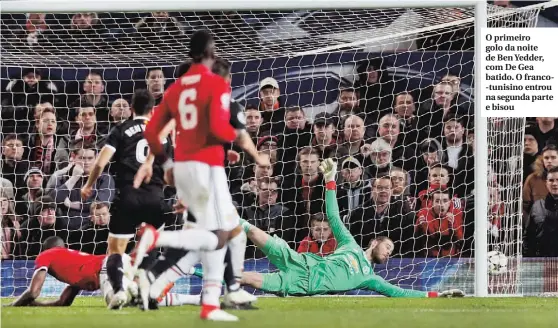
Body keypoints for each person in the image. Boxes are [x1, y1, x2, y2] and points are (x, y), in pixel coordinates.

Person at [137, 30, 267, 321]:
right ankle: (157, 240)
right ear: (211, 51)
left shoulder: (176, 88)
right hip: (207, 168)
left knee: (221, 232)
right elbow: (220, 128)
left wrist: (166, 165)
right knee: (219, 235)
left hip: (182, 168)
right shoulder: (215, 83)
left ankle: (212, 296)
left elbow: (152, 131)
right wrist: (238, 138)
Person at [229, 159, 465, 297]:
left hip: (301, 285)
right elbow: (333, 216)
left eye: (391, 250)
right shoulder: (349, 243)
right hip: (301, 262)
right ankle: (222, 216)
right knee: (254, 232)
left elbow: (399, 292)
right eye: (388, 246)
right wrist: (331, 180)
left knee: (246, 279)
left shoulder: (369, 278)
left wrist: (436, 294)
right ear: (374, 242)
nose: (389, 251)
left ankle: (203, 274)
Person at [80, 88, 174, 310]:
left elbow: (100, 163)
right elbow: (171, 173)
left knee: (115, 252)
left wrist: (88, 185)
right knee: (150, 250)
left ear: (131, 109)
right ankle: (147, 294)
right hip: (155, 200)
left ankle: (119, 290)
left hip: (128, 198)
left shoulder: (120, 129)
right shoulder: (163, 134)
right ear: (153, 111)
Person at [6, 236, 200, 309]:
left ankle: (133, 286)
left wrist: (16, 304)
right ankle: (196, 298)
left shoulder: (46, 254)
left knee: (116, 301)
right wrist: (37, 305)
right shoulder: (74, 266)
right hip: (119, 262)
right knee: (146, 299)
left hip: (108, 267)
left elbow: (33, 291)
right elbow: (64, 302)